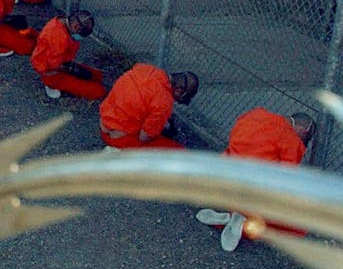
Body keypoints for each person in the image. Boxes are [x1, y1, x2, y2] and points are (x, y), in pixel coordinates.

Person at [197, 109, 316, 251]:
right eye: (305, 138)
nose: (303, 141)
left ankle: (233, 215)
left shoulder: (257, 114)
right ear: (303, 130)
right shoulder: (292, 140)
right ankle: (240, 220)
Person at [99, 64, 199, 149]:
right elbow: (143, 138)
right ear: (179, 91)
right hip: (118, 139)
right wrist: (158, 129)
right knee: (178, 150)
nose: (176, 101)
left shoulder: (146, 69)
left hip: (104, 124)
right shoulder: (164, 102)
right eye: (179, 98)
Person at [31, 11, 106, 100]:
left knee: (96, 75)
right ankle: (51, 85)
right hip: (52, 72)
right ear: (76, 27)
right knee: (99, 91)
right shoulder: (60, 40)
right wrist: (74, 71)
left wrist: (75, 69)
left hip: (61, 63)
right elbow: (54, 66)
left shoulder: (61, 22)